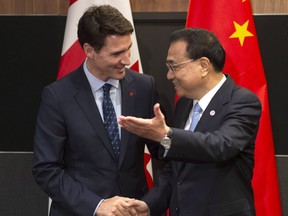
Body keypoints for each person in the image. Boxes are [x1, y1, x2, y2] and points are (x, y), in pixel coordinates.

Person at [32, 5, 160, 216]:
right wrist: (96, 205)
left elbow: (162, 153)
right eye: (117, 53)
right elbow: (46, 169)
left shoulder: (144, 87)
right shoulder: (58, 96)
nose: (127, 60)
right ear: (89, 50)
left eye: (128, 49)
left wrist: (164, 137)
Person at [119, 28, 262, 216]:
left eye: (174, 67)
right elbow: (176, 169)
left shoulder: (242, 101)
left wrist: (166, 136)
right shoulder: (184, 105)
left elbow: (221, 145)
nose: (169, 76)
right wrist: (149, 205)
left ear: (203, 65)